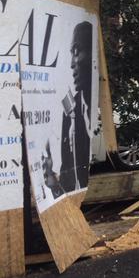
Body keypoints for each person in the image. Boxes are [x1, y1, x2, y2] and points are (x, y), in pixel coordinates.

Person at [43, 21, 93, 198]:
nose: (72, 63)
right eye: (71, 54)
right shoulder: (70, 106)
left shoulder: (90, 106)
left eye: (77, 52)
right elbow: (67, 161)